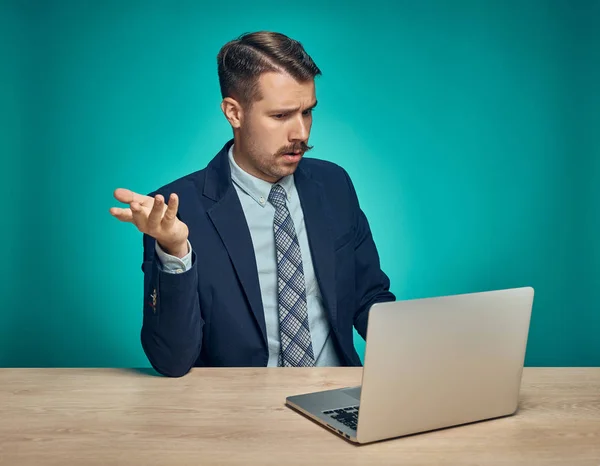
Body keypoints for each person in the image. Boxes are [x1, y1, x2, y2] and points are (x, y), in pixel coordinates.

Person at [110, 31, 395, 377]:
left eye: (307, 112)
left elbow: (369, 298)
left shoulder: (334, 185)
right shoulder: (176, 211)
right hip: (240, 412)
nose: (301, 133)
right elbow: (172, 360)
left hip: (336, 395)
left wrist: (418, 352)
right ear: (234, 113)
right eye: (280, 116)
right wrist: (174, 249)